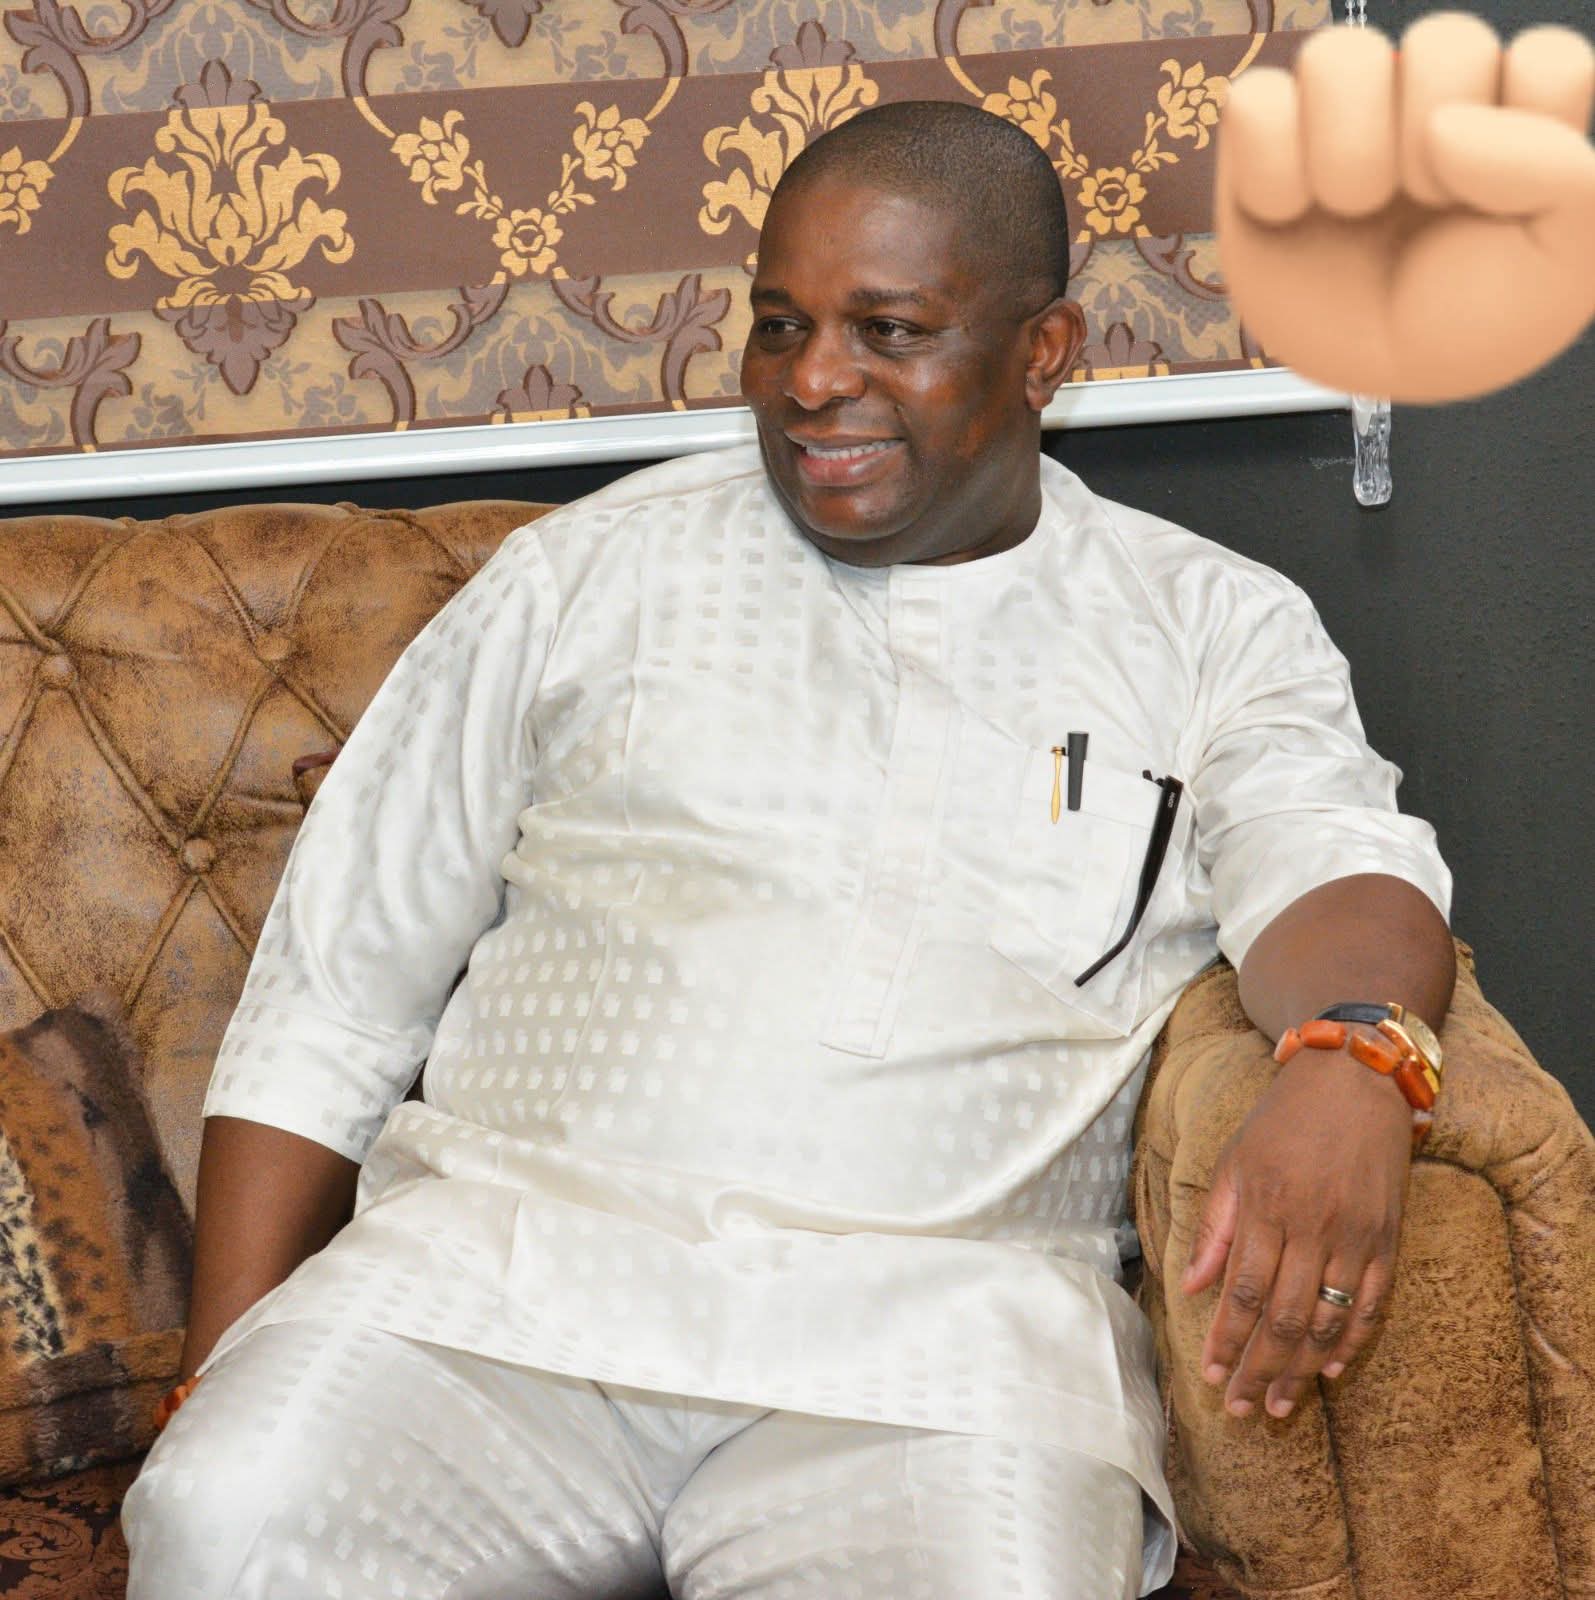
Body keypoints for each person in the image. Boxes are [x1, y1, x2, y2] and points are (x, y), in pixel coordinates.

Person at [123, 99, 1456, 1599]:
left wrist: (1358, 1055)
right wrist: (218, 1373)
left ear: (1045, 353)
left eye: (890, 331)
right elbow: (336, 990)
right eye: (779, 326)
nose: (814, 380)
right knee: (225, 1514)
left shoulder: (1210, 625)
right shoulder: (583, 576)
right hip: (492, 1301)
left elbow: (1337, 868)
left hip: (941, 1356)